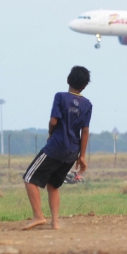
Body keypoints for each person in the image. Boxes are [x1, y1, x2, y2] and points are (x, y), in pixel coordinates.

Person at [22, 66, 92, 230]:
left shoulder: (60, 97)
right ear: (85, 85)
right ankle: (56, 222)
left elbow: (54, 121)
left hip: (56, 146)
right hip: (72, 152)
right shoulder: (87, 104)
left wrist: (50, 133)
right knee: (53, 185)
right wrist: (82, 156)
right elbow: (85, 130)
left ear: (68, 79)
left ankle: (38, 216)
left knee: (29, 178)